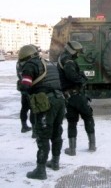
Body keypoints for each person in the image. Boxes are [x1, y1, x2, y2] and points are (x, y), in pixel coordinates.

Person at [18, 45, 65, 180]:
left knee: (43, 136)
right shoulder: (49, 63)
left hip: (47, 103)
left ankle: (40, 170)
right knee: (57, 132)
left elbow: (25, 86)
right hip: (60, 100)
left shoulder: (30, 65)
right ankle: (55, 162)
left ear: (25, 57)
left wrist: (22, 86)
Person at [57, 41, 96, 156]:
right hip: (76, 95)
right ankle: (92, 145)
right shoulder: (68, 61)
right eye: (78, 52)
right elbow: (72, 76)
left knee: (72, 122)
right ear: (72, 51)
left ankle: (72, 149)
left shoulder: (63, 58)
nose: (78, 55)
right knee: (88, 117)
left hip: (69, 96)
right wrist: (82, 78)